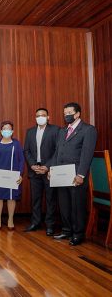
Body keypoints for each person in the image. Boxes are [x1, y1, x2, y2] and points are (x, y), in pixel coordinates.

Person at [49, 102, 97, 246]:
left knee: (77, 204)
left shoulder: (88, 130)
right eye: (65, 113)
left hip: (76, 174)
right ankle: (67, 230)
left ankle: (78, 233)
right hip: (61, 174)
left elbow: (86, 154)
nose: (67, 115)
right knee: (64, 204)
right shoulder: (62, 131)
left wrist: (81, 175)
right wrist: (52, 170)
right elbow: (57, 153)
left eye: (69, 112)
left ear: (77, 114)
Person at [23, 108, 60, 236]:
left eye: (43, 115)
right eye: (38, 115)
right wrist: (32, 165)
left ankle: (50, 225)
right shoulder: (30, 132)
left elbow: (58, 151)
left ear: (48, 117)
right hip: (34, 170)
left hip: (49, 170)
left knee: (50, 199)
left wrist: (47, 166)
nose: (40, 117)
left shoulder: (55, 130)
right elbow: (26, 150)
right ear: (35, 117)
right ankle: (35, 222)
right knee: (36, 199)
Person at [0, 121, 25, 230]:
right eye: (4, 128)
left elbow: (21, 160)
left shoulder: (16, 144)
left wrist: (20, 174)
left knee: (11, 198)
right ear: (1, 131)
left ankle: (10, 220)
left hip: (12, 176)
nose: (6, 131)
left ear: (12, 131)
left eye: (9, 128)